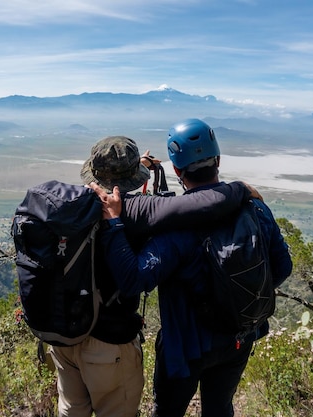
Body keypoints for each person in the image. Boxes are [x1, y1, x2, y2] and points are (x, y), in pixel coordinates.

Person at [91, 119, 293, 417]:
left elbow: (133, 279)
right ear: (218, 160)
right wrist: (234, 295)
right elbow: (283, 267)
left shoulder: (175, 229)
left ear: (176, 170)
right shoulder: (256, 208)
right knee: (220, 407)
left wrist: (114, 225)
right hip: (239, 335)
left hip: (184, 349)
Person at [47, 135, 259, 417]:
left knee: (72, 410)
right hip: (109, 342)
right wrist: (240, 188)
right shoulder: (135, 212)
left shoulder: (71, 206)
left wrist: (137, 167)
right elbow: (197, 205)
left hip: (65, 334)